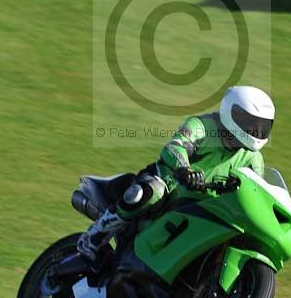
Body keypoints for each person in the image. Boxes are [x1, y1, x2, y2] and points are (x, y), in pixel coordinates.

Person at [77, 85, 275, 267]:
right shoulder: (202, 126)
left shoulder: (254, 160)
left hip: (207, 206)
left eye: (261, 126)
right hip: (171, 185)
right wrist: (185, 170)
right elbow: (175, 147)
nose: (255, 131)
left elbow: (256, 193)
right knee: (149, 192)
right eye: (250, 124)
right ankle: (94, 237)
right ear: (232, 112)